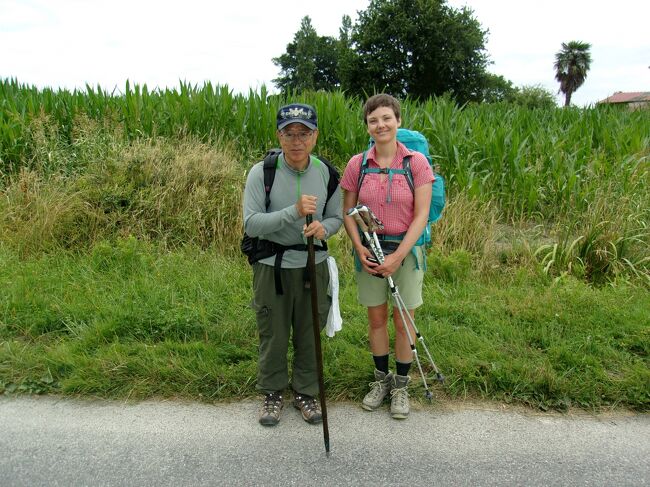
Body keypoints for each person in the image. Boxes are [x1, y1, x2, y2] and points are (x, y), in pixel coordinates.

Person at [243, 103, 343, 427]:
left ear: (314, 137)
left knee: (309, 330)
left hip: (314, 262)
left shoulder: (327, 172)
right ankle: (272, 393)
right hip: (272, 266)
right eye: (290, 133)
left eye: (304, 133)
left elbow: (337, 216)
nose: (297, 140)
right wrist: (294, 212)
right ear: (279, 136)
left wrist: (323, 228)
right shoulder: (262, 172)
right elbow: (252, 224)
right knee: (272, 333)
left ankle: (306, 392)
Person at [340, 94, 433, 419]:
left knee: (403, 319)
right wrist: (359, 246)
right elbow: (348, 211)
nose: (380, 125)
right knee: (377, 318)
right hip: (369, 251)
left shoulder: (416, 163)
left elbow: (421, 215)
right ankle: (381, 380)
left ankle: (401, 386)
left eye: (386, 118)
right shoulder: (357, 164)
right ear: (367, 126)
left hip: (405, 251)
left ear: (398, 121)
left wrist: (398, 256)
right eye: (373, 120)